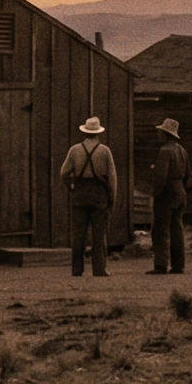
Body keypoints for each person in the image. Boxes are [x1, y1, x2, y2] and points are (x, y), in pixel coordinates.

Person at [60, 116, 118, 278]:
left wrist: (71, 189)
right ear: (98, 133)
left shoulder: (74, 150)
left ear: (84, 132)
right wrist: (111, 199)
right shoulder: (105, 151)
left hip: (79, 194)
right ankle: (99, 269)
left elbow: (64, 173)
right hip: (99, 195)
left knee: (78, 234)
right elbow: (112, 179)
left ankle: (77, 269)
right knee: (99, 234)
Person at [149, 117, 189, 275]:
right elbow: (188, 175)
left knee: (160, 230)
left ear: (166, 134)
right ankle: (178, 265)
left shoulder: (165, 151)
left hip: (166, 194)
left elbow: (160, 178)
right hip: (180, 192)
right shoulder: (182, 150)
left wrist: (155, 194)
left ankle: (160, 265)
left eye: (161, 132)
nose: (159, 135)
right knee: (177, 229)